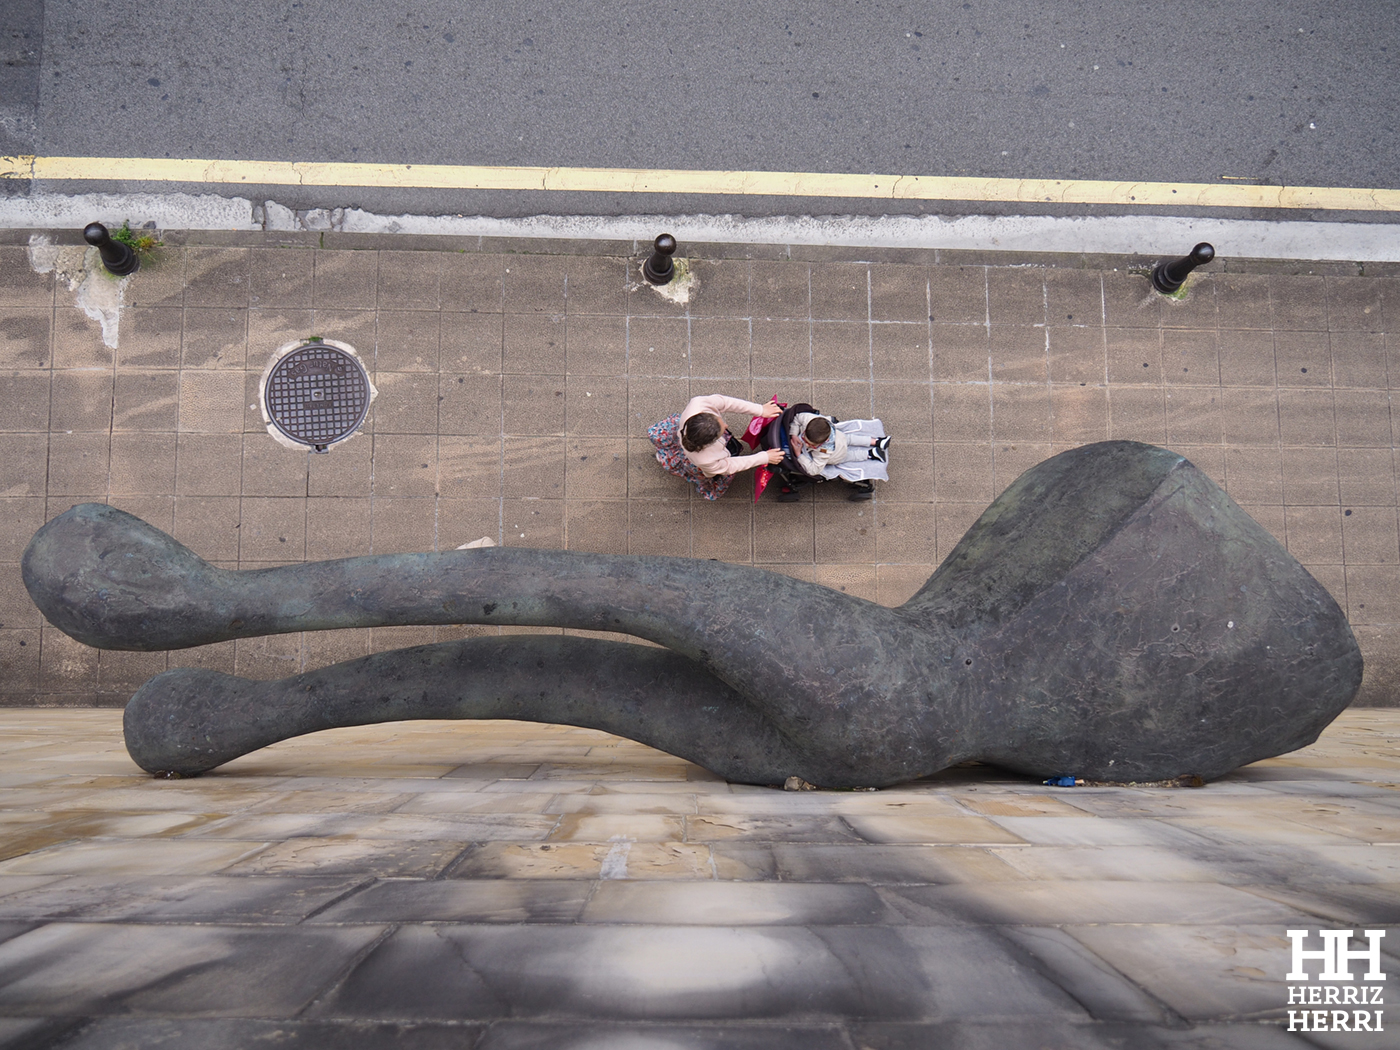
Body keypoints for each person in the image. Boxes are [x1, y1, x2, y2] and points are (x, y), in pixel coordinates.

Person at [649, 394, 784, 500]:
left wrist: (760, 410)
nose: (726, 426)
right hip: (703, 464)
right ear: (709, 443)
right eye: (722, 431)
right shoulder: (705, 459)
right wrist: (763, 457)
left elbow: (726, 403)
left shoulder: (698, 404)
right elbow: (729, 466)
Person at [788, 412, 890, 477]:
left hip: (837, 455)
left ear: (820, 445)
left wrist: (798, 454)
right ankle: (876, 441)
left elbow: (813, 470)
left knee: (850, 455)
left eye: (810, 444)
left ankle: (870, 453)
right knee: (851, 439)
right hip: (840, 436)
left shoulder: (823, 452)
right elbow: (798, 417)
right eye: (804, 437)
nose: (804, 442)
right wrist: (794, 434)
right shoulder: (809, 419)